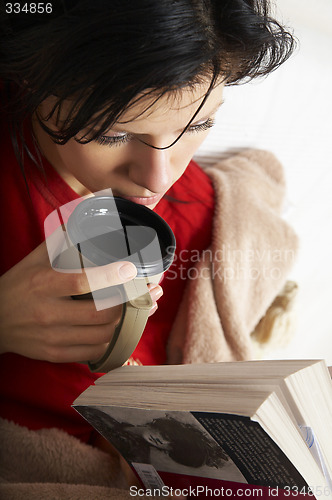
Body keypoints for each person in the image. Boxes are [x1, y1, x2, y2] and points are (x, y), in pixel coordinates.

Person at [0, 0, 297, 495]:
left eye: (196, 126)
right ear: (32, 82)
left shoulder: (200, 211)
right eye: (112, 132)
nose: (159, 177)